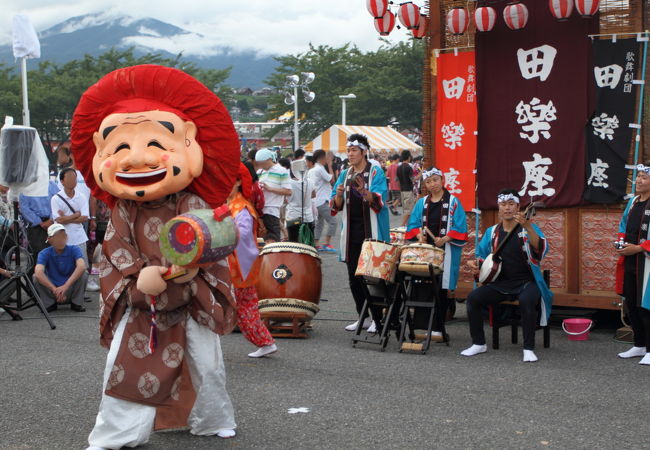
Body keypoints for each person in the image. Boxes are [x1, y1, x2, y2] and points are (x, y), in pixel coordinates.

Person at [71, 65, 240, 449]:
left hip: (191, 297)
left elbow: (215, 243)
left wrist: (191, 269)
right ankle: (116, 434)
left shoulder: (193, 202)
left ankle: (213, 419)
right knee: (124, 367)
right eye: (121, 148)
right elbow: (114, 249)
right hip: (141, 302)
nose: (137, 160)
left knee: (207, 366)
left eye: (156, 145)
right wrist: (139, 275)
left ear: (189, 141)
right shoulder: (123, 210)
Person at [463, 189, 553, 363]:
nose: (507, 208)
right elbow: (482, 257)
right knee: (473, 298)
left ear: (518, 207)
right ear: (499, 208)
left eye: (511, 204)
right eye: (503, 204)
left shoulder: (529, 228)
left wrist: (527, 226)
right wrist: (475, 265)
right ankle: (479, 343)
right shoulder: (492, 232)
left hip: (528, 281)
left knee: (527, 300)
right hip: (501, 283)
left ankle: (528, 348)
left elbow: (542, 250)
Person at [331, 134, 389, 333]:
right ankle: (362, 316)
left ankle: (378, 317)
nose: (350, 154)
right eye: (348, 150)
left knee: (374, 276)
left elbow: (379, 201)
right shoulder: (345, 173)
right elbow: (335, 205)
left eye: (354, 150)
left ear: (364, 152)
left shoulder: (375, 172)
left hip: (371, 230)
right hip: (351, 232)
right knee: (354, 276)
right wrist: (338, 194)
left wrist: (365, 190)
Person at [405, 167, 467, 342]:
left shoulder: (453, 202)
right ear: (425, 184)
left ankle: (438, 328)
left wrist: (446, 238)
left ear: (442, 180)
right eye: (429, 181)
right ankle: (421, 327)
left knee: (440, 289)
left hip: (445, 251)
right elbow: (413, 223)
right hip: (425, 252)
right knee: (422, 286)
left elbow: (461, 227)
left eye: (435, 180)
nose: (432, 184)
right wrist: (419, 235)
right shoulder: (422, 202)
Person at [227, 163, 277, 358]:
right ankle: (265, 342)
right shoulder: (231, 204)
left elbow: (243, 233)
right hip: (237, 265)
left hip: (238, 266)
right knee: (246, 309)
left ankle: (265, 341)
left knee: (240, 308)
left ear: (239, 181)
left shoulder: (242, 207)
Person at [615, 164, 650, 365]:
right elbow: (623, 224)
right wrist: (621, 243)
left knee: (646, 306)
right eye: (638, 177)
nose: (639, 181)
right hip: (629, 260)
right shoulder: (634, 201)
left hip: (646, 262)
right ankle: (639, 344)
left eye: (644, 177)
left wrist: (639, 248)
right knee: (631, 302)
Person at [33, 223, 88, 312]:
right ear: (50, 239)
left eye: (63, 236)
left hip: (69, 288)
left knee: (84, 273)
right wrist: (54, 289)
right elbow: (38, 272)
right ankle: (49, 304)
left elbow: (81, 266)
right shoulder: (44, 253)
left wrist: (66, 286)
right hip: (53, 290)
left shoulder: (74, 249)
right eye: (56, 237)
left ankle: (77, 303)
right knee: (36, 276)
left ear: (66, 237)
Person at [51, 168, 90, 270]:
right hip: (62, 239)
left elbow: (84, 217)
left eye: (74, 178)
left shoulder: (81, 197)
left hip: (79, 237)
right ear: (62, 181)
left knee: (82, 267)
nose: (73, 180)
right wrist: (76, 215)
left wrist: (66, 218)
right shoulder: (56, 199)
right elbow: (59, 220)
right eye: (69, 178)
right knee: (65, 268)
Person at [20, 180, 59, 273]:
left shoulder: (52, 184)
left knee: (55, 253)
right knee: (37, 255)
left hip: (53, 223)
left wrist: (51, 219)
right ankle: (34, 284)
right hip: (36, 226)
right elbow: (24, 207)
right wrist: (39, 222)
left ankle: (52, 283)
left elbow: (58, 201)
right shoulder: (25, 186)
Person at [256, 149, 292, 243]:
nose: (260, 165)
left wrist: (270, 189)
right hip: (259, 210)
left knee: (272, 238)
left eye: (261, 163)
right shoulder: (260, 172)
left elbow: (288, 191)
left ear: (269, 160)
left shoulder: (281, 171)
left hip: (272, 209)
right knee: (261, 240)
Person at [309, 150, 337, 252]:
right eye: (327, 157)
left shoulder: (312, 170)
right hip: (322, 200)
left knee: (319, 223)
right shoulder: (320, 169)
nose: (328, 159)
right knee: (333, 221)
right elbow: (332, 179)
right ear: (322, 158)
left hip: (315, 201)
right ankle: (326, 243)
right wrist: (330, 165)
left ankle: (316, 244)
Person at [285, 161, 315, 243]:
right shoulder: (310, 182)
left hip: (293, 216)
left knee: (294, 242)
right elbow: (313, 195)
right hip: (308, 216)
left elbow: (285, 199)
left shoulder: (289, 182)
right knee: (308, 242)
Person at [397, 150, 416, 226]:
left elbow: (397, 180)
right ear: (409, 157)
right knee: (408, 211)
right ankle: (402, 225)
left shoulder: (399, 167)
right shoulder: (408, 167)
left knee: (406, 210)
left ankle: (408, 227)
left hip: (402, 190)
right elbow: (413, 179)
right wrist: (421, 173)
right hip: (408, 190)